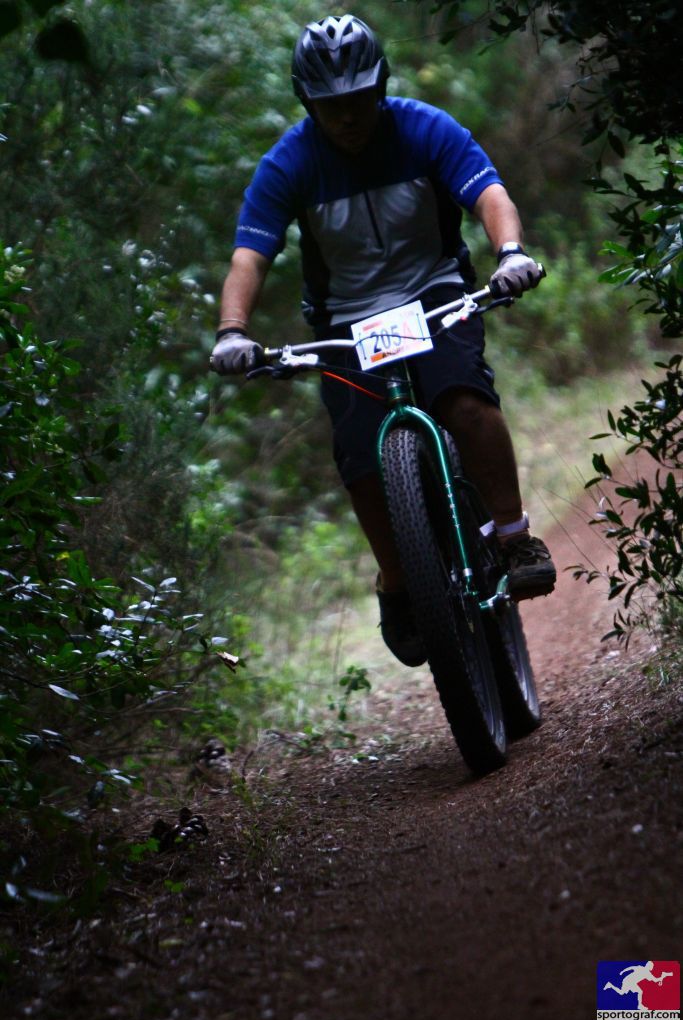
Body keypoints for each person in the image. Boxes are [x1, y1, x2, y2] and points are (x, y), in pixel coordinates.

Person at [210, 14, 556, 666]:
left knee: (464, 403)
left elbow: (487, 192)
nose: (346, 115)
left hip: (436, 294)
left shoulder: (424, 127)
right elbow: (249, 258)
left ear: (380, 87)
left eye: (358, 98)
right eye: (329, 104)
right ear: (306, 101)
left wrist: (508, 252)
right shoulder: (289, 162)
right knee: (360, 454)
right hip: (345, 319)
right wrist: (233, 332)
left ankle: (513, 539)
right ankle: (399, 583)